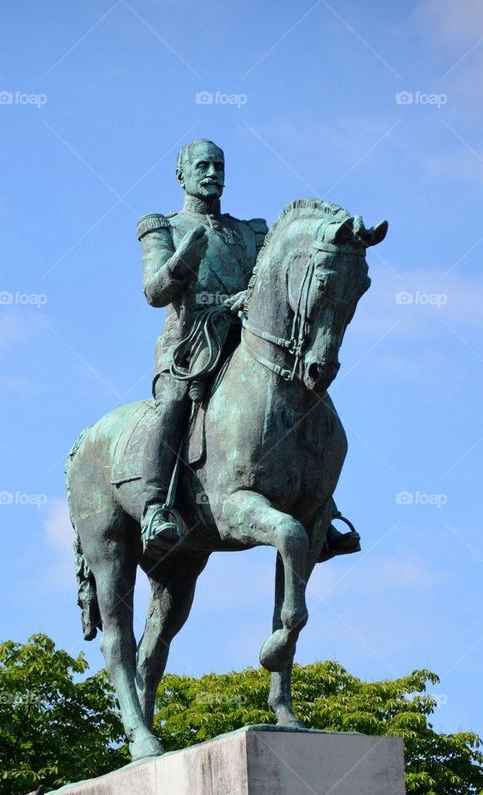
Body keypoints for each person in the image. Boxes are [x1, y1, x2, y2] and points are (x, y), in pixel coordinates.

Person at [136, 138, 360, 561]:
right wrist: (184, 259)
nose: (211, 173)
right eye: (202, 166)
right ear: (181, 173)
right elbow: (154, 291)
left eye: (218, 166)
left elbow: (269, 286)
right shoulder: (163, 227)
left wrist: (247, 300)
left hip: (249, 339)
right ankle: (156, 509)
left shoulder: (251, 231)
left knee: (313, 403)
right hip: (190, 346)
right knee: (172, 406)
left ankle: (321, 512)